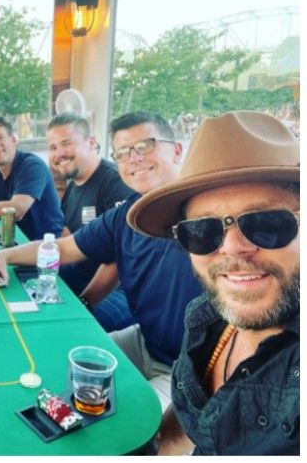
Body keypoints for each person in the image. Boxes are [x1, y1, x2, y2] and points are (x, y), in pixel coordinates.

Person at [0, 111, 203, 410]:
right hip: (144, 340)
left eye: (145, 146)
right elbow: (65, 248)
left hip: (184, 367)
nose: (133, 158)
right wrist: (5, 255)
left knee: (135, 429)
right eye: (122, 152)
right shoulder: (126, 213)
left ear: (178, 150)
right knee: (53, 359)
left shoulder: (205, 215)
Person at [126, 111, 299, 455]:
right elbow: (187, 427)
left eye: (266, 222)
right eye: (203, 231)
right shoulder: (205, 317)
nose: (232, 247)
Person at [46, 113, 136, 332]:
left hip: (119, 290)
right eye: (53, 147)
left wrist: (83, 304)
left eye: (66, 143)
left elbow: (116, 264)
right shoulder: (74, 186)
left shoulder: (115, 183)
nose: (59, 153)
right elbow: (67, 238)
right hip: (82, 275)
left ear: (91, 143)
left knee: (65, 328)